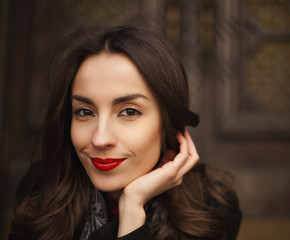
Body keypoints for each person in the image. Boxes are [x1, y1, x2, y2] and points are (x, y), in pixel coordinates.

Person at [9, 26, 241, 240]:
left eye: (129, 111)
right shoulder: (42, 191)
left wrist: (132, 207)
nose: (100, 139)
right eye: (85, 112)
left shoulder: (211, 207)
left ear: (168, 121)